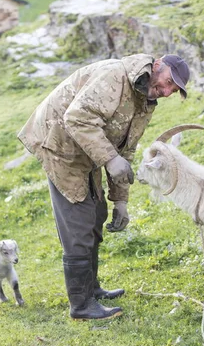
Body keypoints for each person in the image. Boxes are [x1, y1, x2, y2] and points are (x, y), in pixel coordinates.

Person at [17, 54, 190, 320]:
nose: (166, 92)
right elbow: (76, 118)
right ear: (157, 66)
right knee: (79, 224)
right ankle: (81, 305)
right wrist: (109, 159)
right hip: (61, 146)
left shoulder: (146, 98)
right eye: (167, 82)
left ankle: (92, 289)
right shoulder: (115, 76)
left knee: (97, 215)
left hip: (88, 151)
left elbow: (127, 149)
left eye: (173, 90)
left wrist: (120, 200)